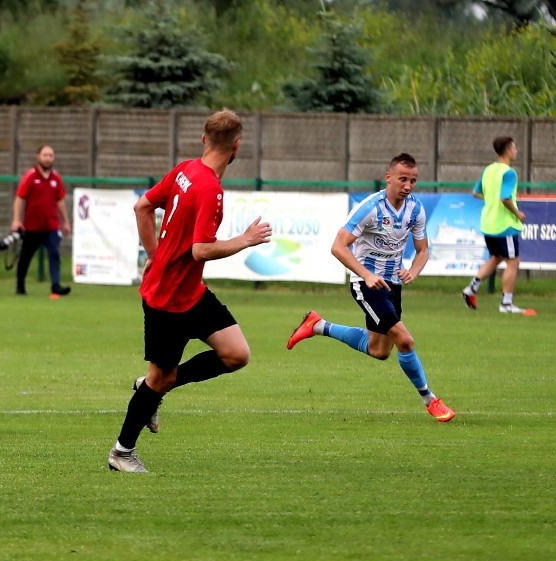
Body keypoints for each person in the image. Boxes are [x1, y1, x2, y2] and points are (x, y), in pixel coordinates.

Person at [107, 108, 273, 473]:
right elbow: (201, 249)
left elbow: (143, 206)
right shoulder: (210, 188)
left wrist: (155, 254)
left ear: (203, 139)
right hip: (167, 301)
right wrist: (244, 240)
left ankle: (151, 388)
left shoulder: (185, 170)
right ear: (237, 146)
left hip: (190, 292)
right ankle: (121, 452)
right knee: (160, 378)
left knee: (236, 355)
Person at [286, 153, 455, 423]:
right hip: (366, 285)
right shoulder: (370, 208)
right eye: (403, 179)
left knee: (379, 351)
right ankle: (430, 399)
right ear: (388, 177)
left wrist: (412, 271)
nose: (408, 185)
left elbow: (423, 250)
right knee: (405, 340)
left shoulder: (416, 210)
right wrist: (366, 275)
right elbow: (338, 246)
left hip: (393, 285)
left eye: (413, 180)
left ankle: (318, 325)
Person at [462, 136, 528, 313]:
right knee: (513, 262)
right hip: (503, 225)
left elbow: (475, 193)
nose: (516, 151)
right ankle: (506, 304)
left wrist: (491, 200)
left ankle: (471, 289)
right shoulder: (509, 173)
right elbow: (505, 198)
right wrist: (518, 213)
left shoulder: (489, 170)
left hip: (488, 223)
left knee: (497, 257)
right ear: (507, 150)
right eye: (514, 148)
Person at [11, 145, 72, 298]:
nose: (48, 158)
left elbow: (60, 201)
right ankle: (20, 286)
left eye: (51, 155)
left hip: (51, 226)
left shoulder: (56, 178)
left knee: (54, 253)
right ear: (38, 157)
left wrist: (66, 222)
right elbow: (19, 198)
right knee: (25, 257)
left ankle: (55, 285)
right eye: (45, 155)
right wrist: (16, 220)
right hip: (32, 227)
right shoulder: (30, 176)